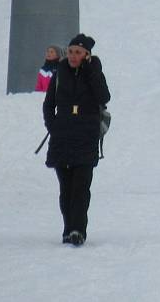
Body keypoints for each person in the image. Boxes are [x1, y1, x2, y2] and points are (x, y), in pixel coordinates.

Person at [42, 33, 111, 246]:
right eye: (70, 51)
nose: (72, 56)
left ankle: (78, 230)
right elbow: (48, 104)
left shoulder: (94, 72)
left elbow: (104, 97)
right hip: (62, 137)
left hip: (85, 136)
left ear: (87, 55)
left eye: (78, 53)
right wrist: (53, 125)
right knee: (66, 188)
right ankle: (67, 228)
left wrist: (91, 71)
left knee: (81, 188)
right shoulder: (60, 72)